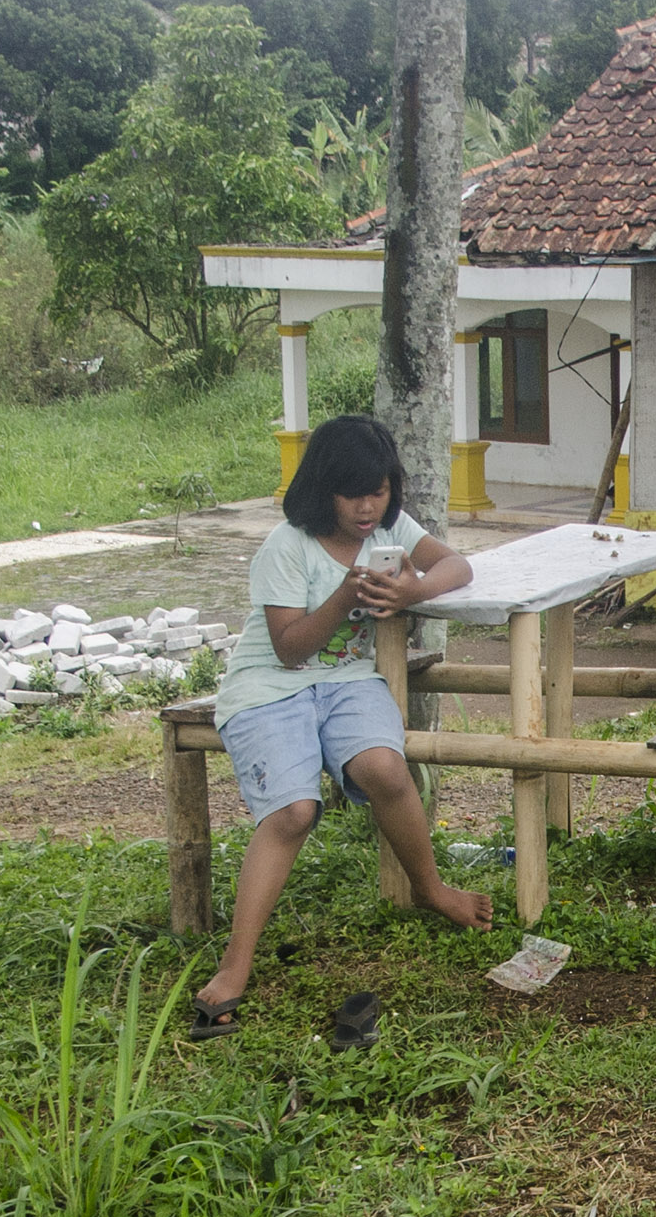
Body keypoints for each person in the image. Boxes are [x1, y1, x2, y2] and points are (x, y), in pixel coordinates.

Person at [190, 414, 490, 1038]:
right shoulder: (286, 546)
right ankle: (235, 966)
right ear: (322, 488)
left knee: (384, 768)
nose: (365, 506)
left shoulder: (391, 528)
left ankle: (431, 889)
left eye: (377, 491)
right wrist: (344, 597)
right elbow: (290, 648)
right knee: (294, 811)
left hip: (348, 682)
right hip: (268, 686)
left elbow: (458, 565)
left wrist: (412, 592)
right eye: (352, 493)